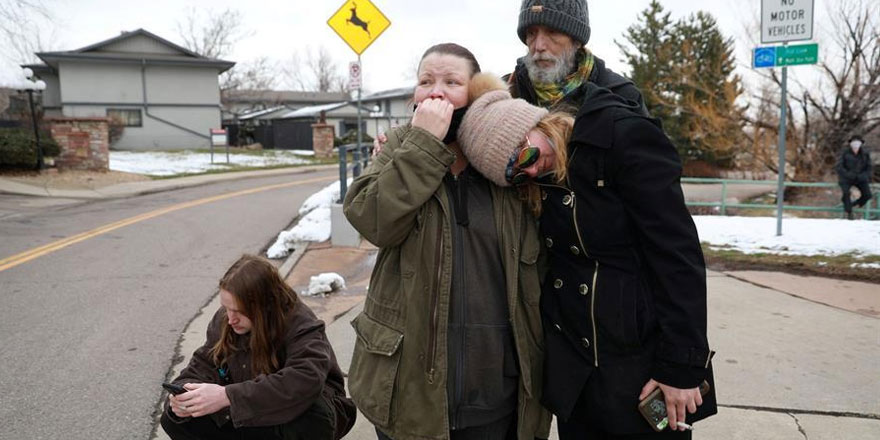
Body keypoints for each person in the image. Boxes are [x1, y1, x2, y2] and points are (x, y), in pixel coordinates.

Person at [457, 75, 717, 439]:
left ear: (538, 122)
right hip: (577, 382)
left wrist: (681, 368)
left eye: (527, 155)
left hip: (642, 371)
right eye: (516, 174)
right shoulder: (538, 185)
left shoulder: (621, 138)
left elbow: (678, 257)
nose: (530, 170)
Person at [343, 43, 551, 440]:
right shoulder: (399, 152)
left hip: (497, 394)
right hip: (409, 397)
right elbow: (372, 221)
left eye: (451, 82)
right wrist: (422, 145)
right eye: (426, 82)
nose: (436, 92)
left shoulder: (507, 163)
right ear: (414, 97)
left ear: (475, 94)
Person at [160, 254, 356, 440]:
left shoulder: (300, 324)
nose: (230, 319)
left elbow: (305, 379)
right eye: (226, 308)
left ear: (265, 306)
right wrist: (183, 398)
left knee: (314, 416)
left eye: (239, 311)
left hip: (292, 413)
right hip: (249, 410)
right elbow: (202, 364)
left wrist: (226, 396)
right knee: (174, 419)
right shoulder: (226, 321)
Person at [508, 0, 646, 115]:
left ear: (577, 41)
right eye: (531, 33)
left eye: (553, 32)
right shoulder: (507, 93)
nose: (539, 46)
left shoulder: (623, 97)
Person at [835, 135, 873, 220]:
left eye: (858, 142)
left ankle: (851, 205)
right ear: (850, 143)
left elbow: (869, 167)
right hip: (846, 178)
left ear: (861, 144)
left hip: (860, 178)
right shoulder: (844, 153)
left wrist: (863, 176)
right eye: (854, 142)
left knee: (868, 195)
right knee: (846, 193)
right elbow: (839, 167)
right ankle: (849, 213)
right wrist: (848, 174)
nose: (856, 145)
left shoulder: (865, 154)